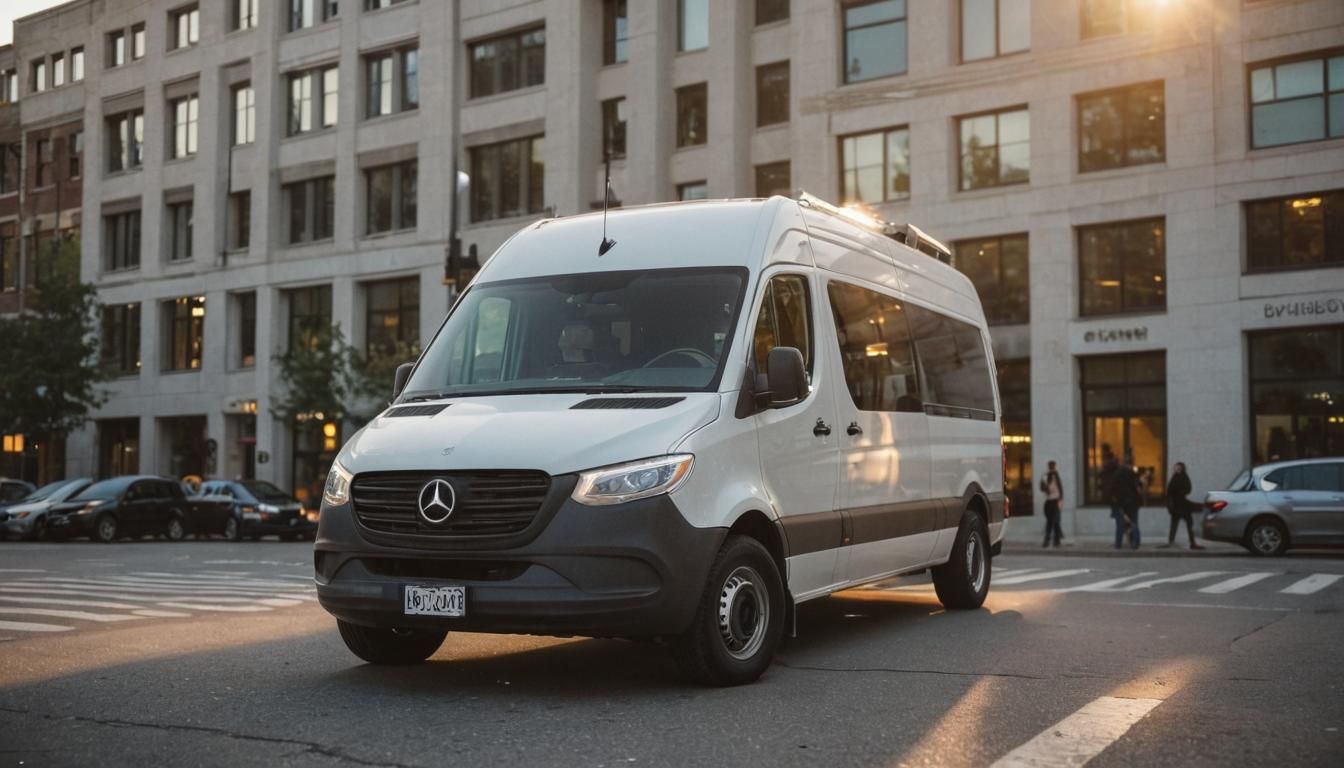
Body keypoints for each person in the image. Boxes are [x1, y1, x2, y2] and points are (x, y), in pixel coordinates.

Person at [1165, 462, 1204, 549]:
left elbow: (1188, 489)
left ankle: (1192, 542)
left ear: (1182, 468)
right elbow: (1169, 491)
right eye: (1176, 467)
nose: (1176, 469)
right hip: (1176, 505)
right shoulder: (1174, 477)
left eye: (1178, 467)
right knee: (1175, 524)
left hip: (1182, 504)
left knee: (1188, 523)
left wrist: (1180, 493)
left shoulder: (1184, 477)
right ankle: (1172, 541)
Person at [1106, 460, 1143, 550]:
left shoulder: (1116, 477)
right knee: (1134, 523)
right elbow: (1138, 488)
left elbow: (1111, 493)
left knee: (1120, 525)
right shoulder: (1132, 476)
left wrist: (1116, 504)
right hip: (1133, 504)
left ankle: (1118, 544)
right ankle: (1135, 543)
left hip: (1121, 505)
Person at [1040, 460, 1064, 548]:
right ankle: (1048, 540)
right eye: (1051, 466)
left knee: (1056, 521)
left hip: (1056, 500)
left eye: (1053, 466)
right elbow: (1042, 487)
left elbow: (1060, 489)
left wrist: (1061, 500)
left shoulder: (1056, 475)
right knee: (1050, 521)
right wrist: (1046, 488)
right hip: (1049, 501)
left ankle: (1056, 540)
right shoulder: (1046, 476)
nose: (1053, 467)